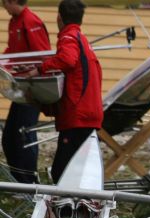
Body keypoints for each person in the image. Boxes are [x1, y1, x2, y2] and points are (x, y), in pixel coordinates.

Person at [26, 0, 103, 183]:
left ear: (59, 17)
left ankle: (68, 201)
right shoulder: (82, 39)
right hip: (89, 113)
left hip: (78, 117)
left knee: (62, 172)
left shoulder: (69, 37)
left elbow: (67, 59)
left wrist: (39, 70)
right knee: (78, 170)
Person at [1, 0, 51, 183]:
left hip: (33, 88)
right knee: (9, 137)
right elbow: (13, 51)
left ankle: (29, 182)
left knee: (24, 134)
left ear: (13, 1)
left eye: (4, 2)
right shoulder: (14, 21)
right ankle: (18, 180)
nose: (3, 6)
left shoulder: (30, 21)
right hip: (20, 86)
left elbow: (43, 55)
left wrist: (31, 71)